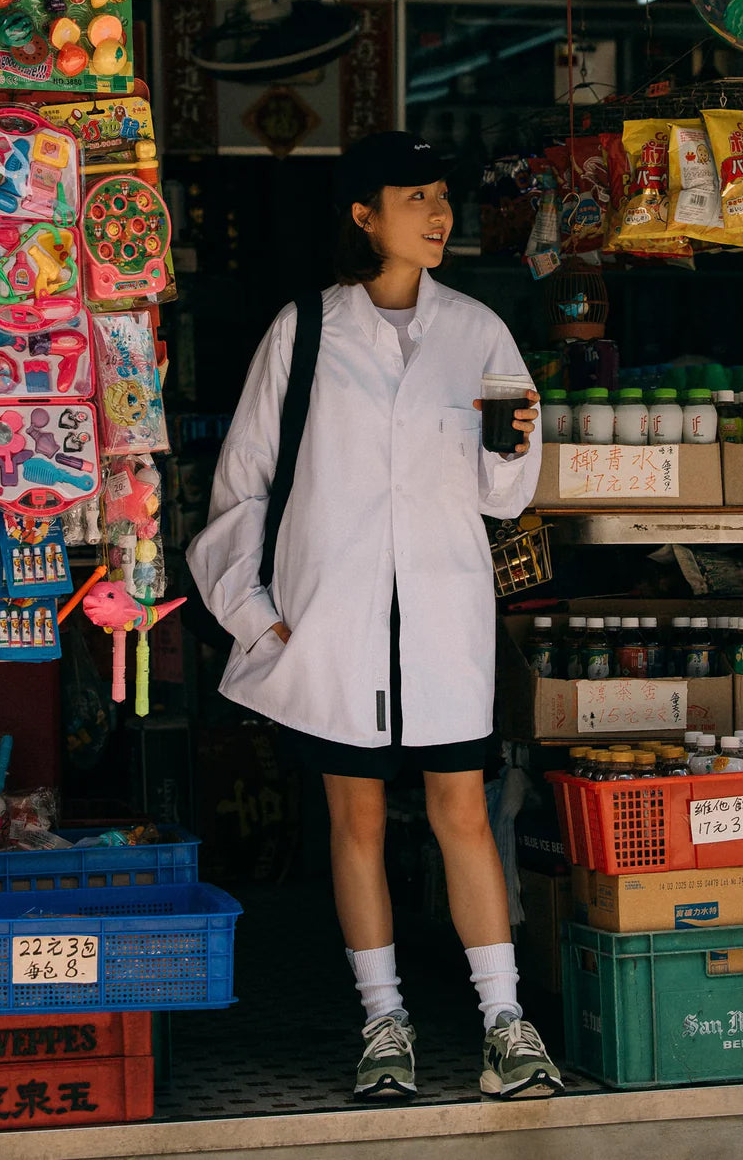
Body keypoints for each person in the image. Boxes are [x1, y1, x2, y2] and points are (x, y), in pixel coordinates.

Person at [187, 131, 562, 1102]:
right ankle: (384, 1021)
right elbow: (241, 490)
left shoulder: (478, 334)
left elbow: (503, 494)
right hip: (337, 626)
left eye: (443, 197)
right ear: (363, 215)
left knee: (463, 813)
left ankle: (503, 1022)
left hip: (441, 617)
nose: (438, 215)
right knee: (353, 819)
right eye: (415, 197)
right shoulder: (305, 331)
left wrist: (511, 432)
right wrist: (258, 618)